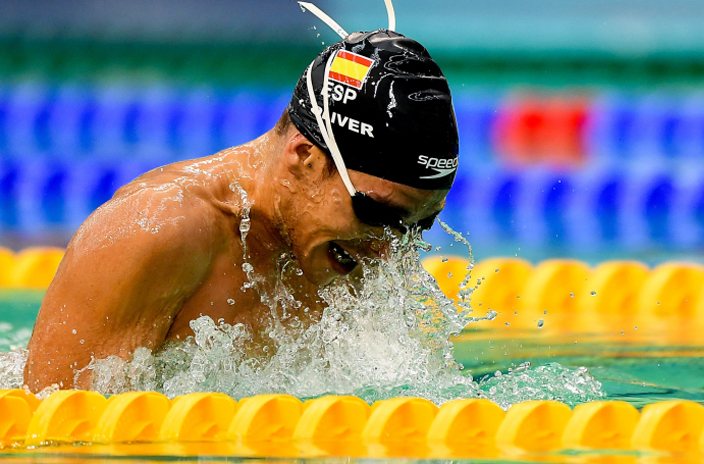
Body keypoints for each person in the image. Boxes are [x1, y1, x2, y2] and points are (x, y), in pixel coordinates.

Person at [23, 29, 459, 393]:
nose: (388, 253)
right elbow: (57, 433)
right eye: (376, 214)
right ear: (305, 157)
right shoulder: (155, 232)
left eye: (417, 225)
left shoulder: (346, 247)